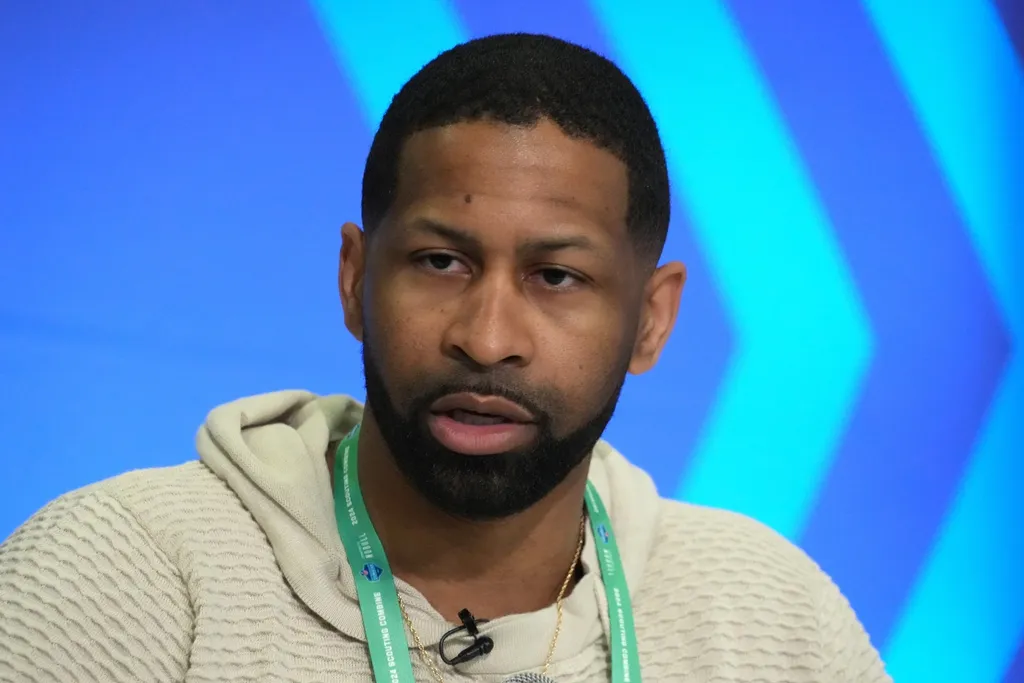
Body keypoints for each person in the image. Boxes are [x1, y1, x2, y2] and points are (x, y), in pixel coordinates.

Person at [0, 33, 890, 683]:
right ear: (354, 279)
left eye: (556, 275)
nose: (486, 334)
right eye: (441, 261)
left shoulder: (773, 618)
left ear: (653, 321)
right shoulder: (124, 570)